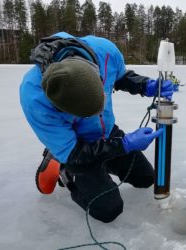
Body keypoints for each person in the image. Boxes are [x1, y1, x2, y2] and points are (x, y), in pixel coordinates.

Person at [19, 32, 173, 223]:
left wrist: (144, 85)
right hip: (76, 145)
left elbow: (120, 77)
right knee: (108, 209)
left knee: (146, 178)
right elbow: (74, 152)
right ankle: (62, 167)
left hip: (106, 132)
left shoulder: (105, 51)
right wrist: (124, 145)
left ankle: (102, 161)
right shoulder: (34, 97)